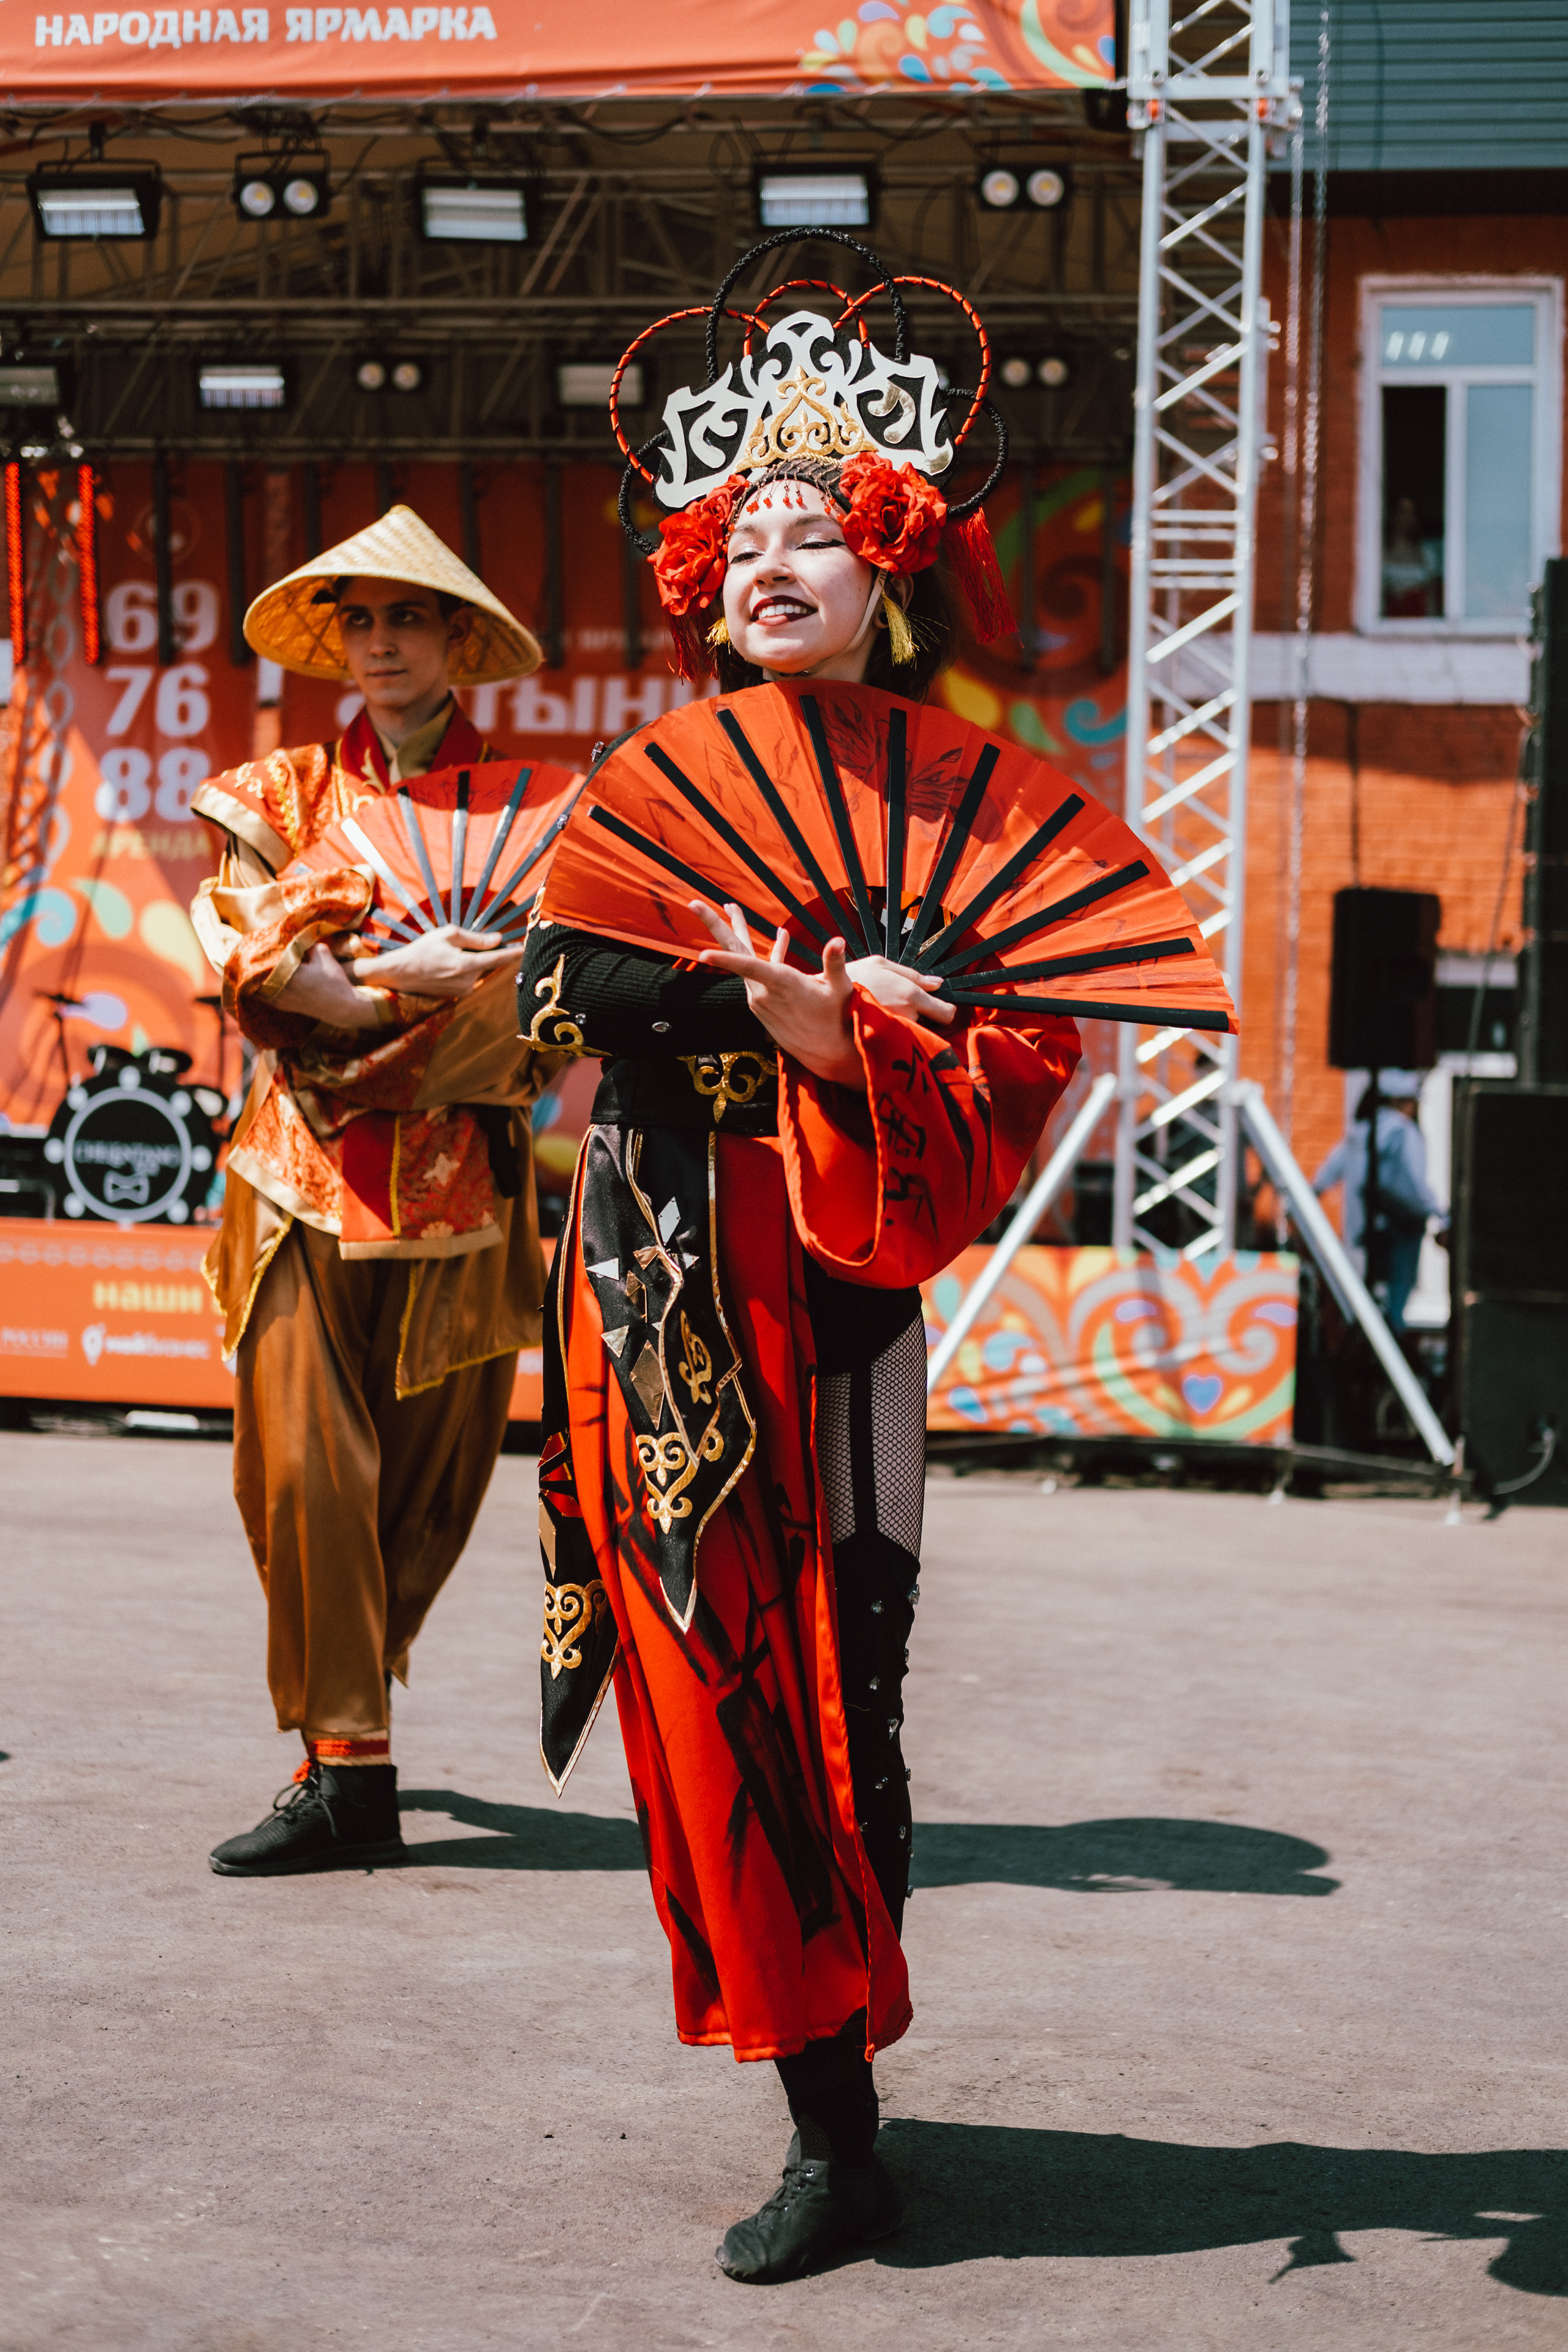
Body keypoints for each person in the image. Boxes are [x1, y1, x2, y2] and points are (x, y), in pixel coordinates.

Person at [520, 249, 1083, 2282]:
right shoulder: (644, 793)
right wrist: (738, 1005)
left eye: (813, 532)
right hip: (663, 1299)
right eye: (740, 533)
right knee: (713, 1711)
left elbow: (1025, 1038)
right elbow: (567, 984)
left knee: (853, 1702)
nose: (773, 560)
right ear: (700, 573)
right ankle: (822, 2113)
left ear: (886, 570)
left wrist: (850, 1040)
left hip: (840, 1302)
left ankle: (847, 2097)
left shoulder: (968, 803)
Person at [190, 505, 558, 1875]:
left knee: (424, 1494)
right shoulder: (274, 798)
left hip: (461, 1190)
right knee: (299, 1477)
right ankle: (350, 1771)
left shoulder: (536, 815)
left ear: (461, 638)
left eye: (407, 617)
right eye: (357, 619)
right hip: (295, 1173)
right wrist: (384, 990)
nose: (380, 642)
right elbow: (246, 964)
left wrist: (402, 1007)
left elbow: (549, 1013)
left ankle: (346, 1726)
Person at [1313, 1071, 1447, 1330]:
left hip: (1368, 1230)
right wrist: (1440, 1214)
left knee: (1370, 1299)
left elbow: (1328, 1172)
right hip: (1402, 1231)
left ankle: (1370, 1351)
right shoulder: (1404, 1133)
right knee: (1397, 1302)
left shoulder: (1361, 1132)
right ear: (1400, 1101)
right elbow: (1415, 1186)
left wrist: (1310, 1195)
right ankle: (1391, 1357)